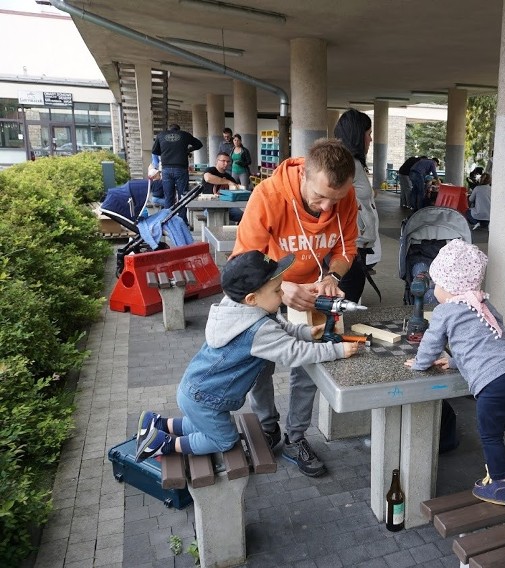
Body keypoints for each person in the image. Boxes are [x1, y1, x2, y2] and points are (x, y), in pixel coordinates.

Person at [134, 251, 359, 463]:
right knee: (223, 439)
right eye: (277, 290)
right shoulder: (256, 328)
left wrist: (305, 332)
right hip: (206, 399)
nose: (283, 295)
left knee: (207, 424)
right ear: (252, 298)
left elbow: (280, 329)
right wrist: (336, 351)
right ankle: (164, 444)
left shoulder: (236, 308)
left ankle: (160, 423)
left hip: (196, 391)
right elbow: (294, 353)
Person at [231, 138, 358, 477]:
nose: (328, 208)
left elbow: (347, 250)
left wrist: (332, 275)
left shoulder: (345, 197)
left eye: (337, 198)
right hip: (270, 287)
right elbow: (244, 261)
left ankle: (295, 438)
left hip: (315, 289)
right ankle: (266, 426)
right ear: (304, 174)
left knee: (309, 361)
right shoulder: (268, 196)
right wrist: (280, 285)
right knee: (260, 364)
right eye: (320, 197)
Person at [405, 239, 505, 506]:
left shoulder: (446, 311)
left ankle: (500, 485)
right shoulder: (485, 306)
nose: (435, 292)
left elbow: (431, 344)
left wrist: (420, 364)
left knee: (491, 436)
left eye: (437, 286)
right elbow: (490, 341)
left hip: (494, 386)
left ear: (449, 286)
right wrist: (455, 362)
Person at [333, 109, 380, 302]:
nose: (370, 139)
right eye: (368, 134)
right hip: (348, 246)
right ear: (357, 134)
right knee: (344, 304)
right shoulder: (346, 163)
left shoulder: (352, 163)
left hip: (353, 244)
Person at [151, 123, 203, 219]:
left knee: (168, 197)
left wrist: (164, 151)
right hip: (181, 169)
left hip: (166, 169)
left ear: (169, 129)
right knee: (183, 196)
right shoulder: (185, 135)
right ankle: (182, 220)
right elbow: (199, 144)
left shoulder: (161, 135)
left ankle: (168, 220)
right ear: (179, 130)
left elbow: (154, 151)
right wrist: (188, 150)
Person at [203, 152, 244, 223]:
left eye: (228, 161)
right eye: (223, 161)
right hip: (210, 207)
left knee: (245, 216)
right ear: (217, 161)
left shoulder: (229, 177)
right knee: (216, 218)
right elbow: (208, 178)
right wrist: (227, 182)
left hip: (227, 207)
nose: (226, 163)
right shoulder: (210, 170)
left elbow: (238, 189)